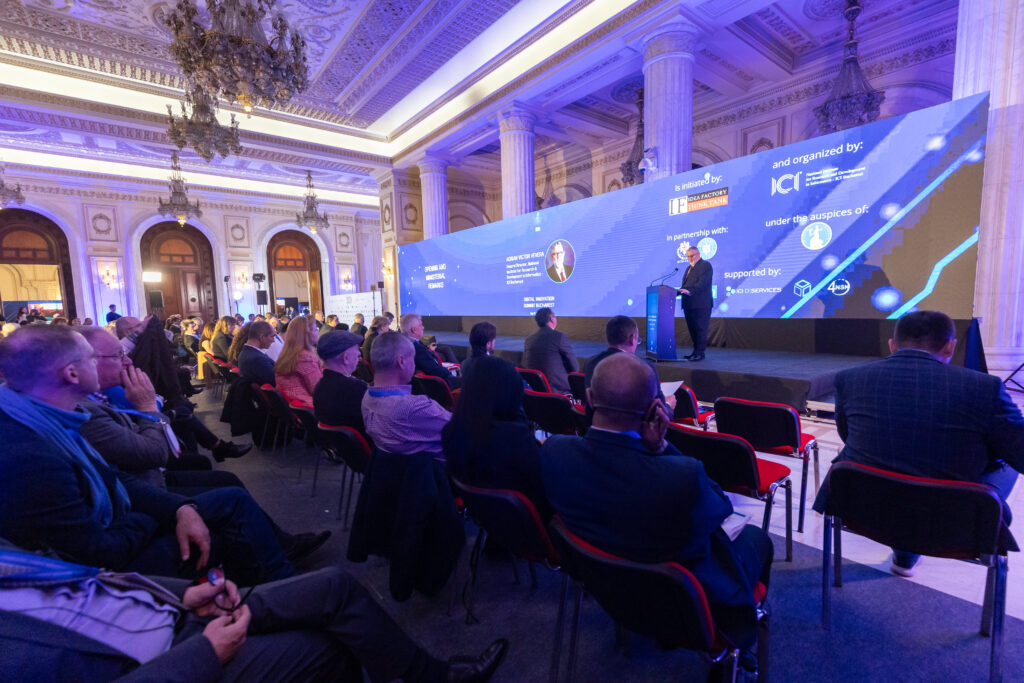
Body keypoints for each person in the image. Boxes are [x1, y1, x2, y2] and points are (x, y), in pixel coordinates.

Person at [0, 325, 296, 585]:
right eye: (92, 358)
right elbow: (99, 552)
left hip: (119, 520)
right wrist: (155, 516)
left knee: (225, 499)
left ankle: (261, 584)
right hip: (101, 575)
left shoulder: (47, 418)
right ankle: (279, 593)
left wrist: (179, 508)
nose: (127, 361)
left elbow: (112, 477)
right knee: (226, 520)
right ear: (72, 373)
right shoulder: (33, 456)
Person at [0, 542, 509, 683]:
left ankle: (433, 676)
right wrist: (204, 654)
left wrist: (183, 594)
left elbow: (94, 581)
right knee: (327, 646)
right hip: (168, 659)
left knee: (332, 586)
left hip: (174, 612)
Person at [540, 353, 772, 653]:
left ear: (589, 398)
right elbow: (721, 507)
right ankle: (738, 640)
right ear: (654, 409)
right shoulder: (682, 477)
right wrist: (662, 447)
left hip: (605, 590)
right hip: (684, 607)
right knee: (758, 540)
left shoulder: (554, 452)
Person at [814, 310, 1024, 577]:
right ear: (950, 347)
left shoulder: (849, 378)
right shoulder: (986, 387)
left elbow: (847, 436)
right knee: (1005, 460)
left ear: (892, 345)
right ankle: (963, 524)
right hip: (951, 516)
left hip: (860, 505)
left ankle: (905, 552)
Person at [442, 355, 550, 520]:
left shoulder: (451, 431)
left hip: (487, 519)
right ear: (510, 393)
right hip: (529, 522)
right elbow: (542, 487)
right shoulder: (515, 440)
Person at [362, 332, 450, 458]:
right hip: (440, 467)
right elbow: (463, 430)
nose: (414, 365)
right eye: (412, 359)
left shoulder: (367, 398)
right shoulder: (416, 408)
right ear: (401, 361)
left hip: (389, 468)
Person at [583, 315, 671, 408]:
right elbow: (659, 410)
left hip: (597, 417)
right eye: (637, 339)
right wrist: (669, 405)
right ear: (632, 338)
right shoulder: (645, 368)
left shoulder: (591, 363)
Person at [313, 329, 369, 432]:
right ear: (346, 358)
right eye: (357, 351)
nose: (359, 354)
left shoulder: (319, 387)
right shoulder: (356, 389)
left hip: (333, 442)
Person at [522, 307, 578, 395]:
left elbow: (524, 365)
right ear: (551, 318)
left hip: (536, 392)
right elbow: (575, 367)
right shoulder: (560, 337)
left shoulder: (529, 339)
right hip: (560, 392)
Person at [400, 312, 460, 389]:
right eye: (420, 325)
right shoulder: (417, 348)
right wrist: (449, 372)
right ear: (414, 330)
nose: (423, 328)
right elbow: (435, 371)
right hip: (439, 385)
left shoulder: (403, 342)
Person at [275, 316, 322, 406]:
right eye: (315, 329)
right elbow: (319, 390)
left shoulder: (288, 353)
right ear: (307, 334)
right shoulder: (305, 358)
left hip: (293, 405)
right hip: (307, 406)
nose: (317, 332)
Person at [678, 246, 713, 361]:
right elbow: (685, 286)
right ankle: (695, 352)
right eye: (688, 256)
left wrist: (689, 291)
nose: (690, 258)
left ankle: (700, 353)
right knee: (693, 330)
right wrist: (677, 292)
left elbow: (703, 283)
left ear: (698, 254)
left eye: (692, 255)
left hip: (701, 304)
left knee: (700, 329)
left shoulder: (705, 265)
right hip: (688, 304)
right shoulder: (688, 268)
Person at [236, 321, 276, 387]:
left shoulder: (247, 352)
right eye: (272, 336)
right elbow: (277, 381)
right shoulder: (257, 359)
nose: (273, 340)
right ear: (262, 337)